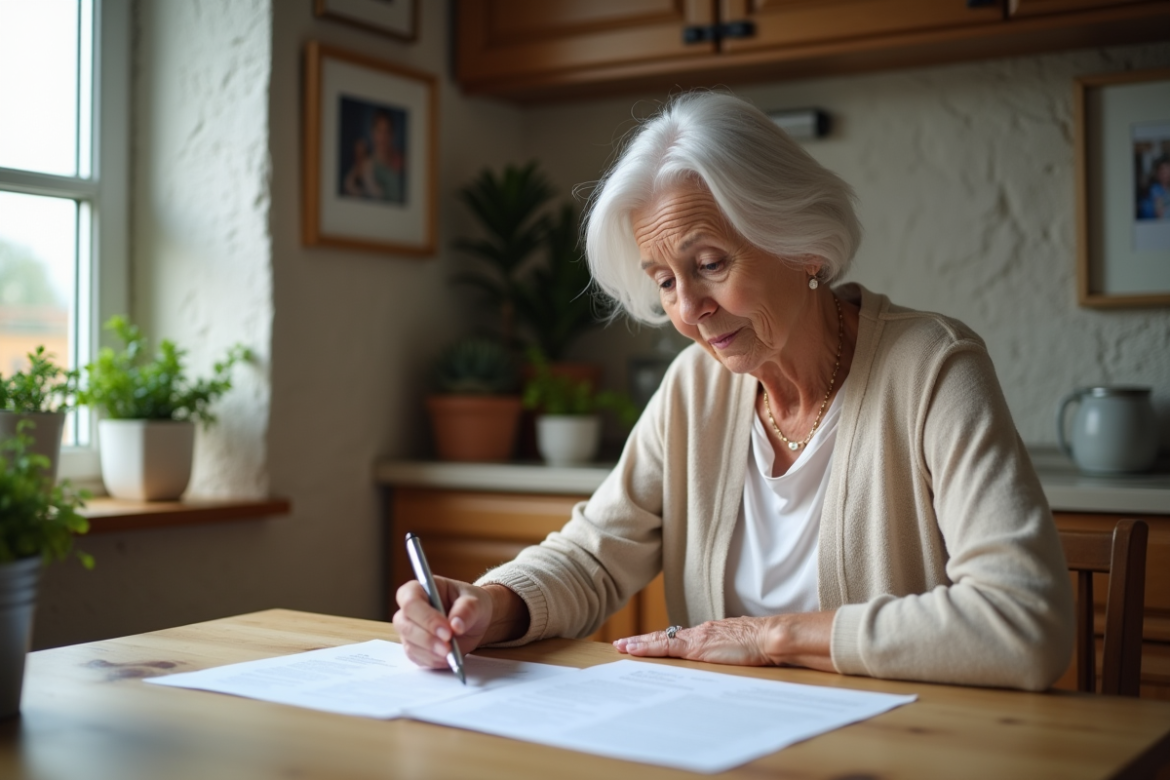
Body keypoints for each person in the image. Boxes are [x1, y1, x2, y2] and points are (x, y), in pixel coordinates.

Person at [394, 92, 1074, 690]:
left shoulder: (932, 370)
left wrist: (774, 637)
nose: (688, 309)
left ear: (803, 243)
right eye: (664, 280)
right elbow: (595, 555)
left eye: (710, 264)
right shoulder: (696, 388)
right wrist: (490, 603)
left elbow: (1024, 622)